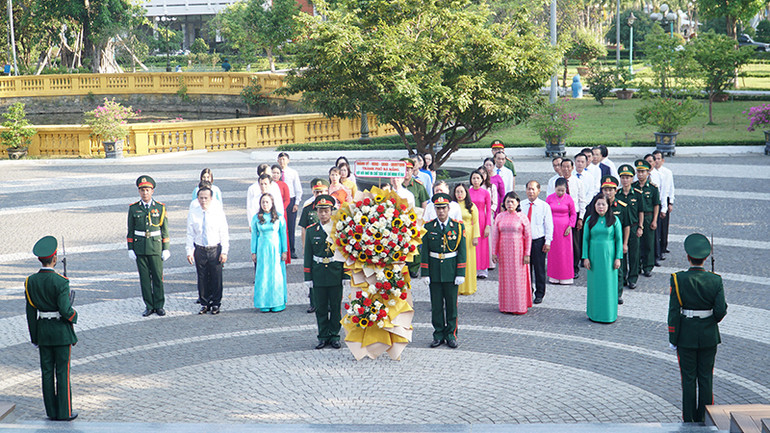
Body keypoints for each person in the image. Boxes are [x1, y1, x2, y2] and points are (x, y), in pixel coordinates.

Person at [668, 234, 727, 423]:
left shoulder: (678, 279)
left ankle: (689, 420)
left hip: (686, 336)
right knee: (706, 379)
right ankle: (705, 418)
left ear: (688, 257)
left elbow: (674, 312)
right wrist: (709, 321)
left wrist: (673, 338)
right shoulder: (716, 280)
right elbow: (720, 311)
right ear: (706, 258)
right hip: (709, 336)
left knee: (688, 380)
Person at [25, 236, 78, 421]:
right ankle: (64, 412)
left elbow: (30, 312)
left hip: (43, 331)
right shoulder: (61, 281)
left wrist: (34, 337)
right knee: (62, 372)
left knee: (47, 372)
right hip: (61, 333)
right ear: (54, 258)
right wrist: (74, 316)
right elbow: (65, 310)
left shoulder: (30, 281)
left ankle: (51, 411)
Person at [421, 193, 466, 349]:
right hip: (434, 271)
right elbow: (424, 251)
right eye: (438, 208)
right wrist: (425, 272)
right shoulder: (428, 227)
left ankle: (451, 334)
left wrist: (460, 273)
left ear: (449, 209)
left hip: (451, 270)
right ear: (434, 209)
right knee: (437, 306)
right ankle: (438, 334)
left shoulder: (458, 227)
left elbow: (462, 251)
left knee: (452, 306)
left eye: (443, 208)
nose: (441, 211)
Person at [304, 195, 349, 349]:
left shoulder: (338, 229)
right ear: (316, 212)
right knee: (321, 307)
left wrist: (346, 274)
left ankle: (335, 335)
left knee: (335, 307)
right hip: (318, 273)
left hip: (335, 271)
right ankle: (323, 336)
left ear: (331, 211)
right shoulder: (311, 231)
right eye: (320, 211)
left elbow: (344, 252)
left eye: (326, 211)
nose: (323, 214)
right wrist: (308, 276)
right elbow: (308, 254)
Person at [127, 176, 170, 317]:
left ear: (152, 191)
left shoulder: (160, 207)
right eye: (142, 190)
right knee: (145, 279)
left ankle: (159, 305)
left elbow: (164, 229)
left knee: (157, 277)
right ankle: (149, 306)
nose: (145, 193)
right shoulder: (133, 208)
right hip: (140, 247)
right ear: (139, 192)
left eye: (147, 190)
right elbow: (130, 230)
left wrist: (166, 248)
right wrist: (130, 248)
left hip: (155, 247)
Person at [186, 187, 230, 315]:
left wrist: (224, 251)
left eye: (206, 198)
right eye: (201, 198)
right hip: (200, 248)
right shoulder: (194, 212)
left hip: (214, 248)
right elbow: (190, 233)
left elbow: (224, 232)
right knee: (202, 277)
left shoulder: (217, 212)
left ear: (211, 198)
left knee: (216, 277)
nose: (203, 200)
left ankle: (216, 303)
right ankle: (204, 303)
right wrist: (189, 251)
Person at [582, 195, 623, 323]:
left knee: (608, 285)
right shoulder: (589, 220)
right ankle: (594, 313)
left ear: (608, 206)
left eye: (603, 204)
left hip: (609, 257)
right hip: (594, 256)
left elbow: (619, 240)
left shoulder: (614, 220)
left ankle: (609, 314)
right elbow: (585, 239)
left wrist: (618, 258)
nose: (601, 207)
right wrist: (585, 257)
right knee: (595, 285)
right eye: (598, 204)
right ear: (594, 206)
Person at [491, 192, 532, 314]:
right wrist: (494, 252)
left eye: (512, 202)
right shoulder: (500, 217)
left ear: (517, 203)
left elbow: (528, 236)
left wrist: (527, 253)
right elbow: (495, 236)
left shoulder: (522, 217)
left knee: (518, 279)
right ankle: (506, 306)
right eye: (507, 201)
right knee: (505, 279)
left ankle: (519, 306)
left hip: (518, 252)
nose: (510, 204)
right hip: (504, 252)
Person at [251, 193, 288, 312]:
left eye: (267, 202)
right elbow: (254, 236)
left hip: (276, 249)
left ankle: (277, 301)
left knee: (276, 275)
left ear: (272, 203)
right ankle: (264, 302)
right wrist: (253, 251)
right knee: (264, 275)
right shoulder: (256, 218)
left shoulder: (279, 217)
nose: (265, 204)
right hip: (262, 249)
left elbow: (283, 234)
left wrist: (285, 250)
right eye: (263, 202)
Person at [299, 178, 332, 314]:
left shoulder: (333, 207)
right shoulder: (308, 208)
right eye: (317, 192)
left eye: (322, 191)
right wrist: (304, 247)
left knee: (330, 275)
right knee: (313, 273)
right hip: (313, 245)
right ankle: (313, 303)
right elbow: (304, 229)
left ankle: (329, 303)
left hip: (329, 247)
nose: (320, 194)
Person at [521, 181, 553, 304]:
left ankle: (539, 293)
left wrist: (548, 241)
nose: (531, 192)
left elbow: (548, 225)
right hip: (524, 241)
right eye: (528, 189)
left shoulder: (544, 206)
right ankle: (527, 291)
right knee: (526, 268)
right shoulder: (521, 205)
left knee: (539, 269)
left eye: (533, 189)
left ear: (539, 190)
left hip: (538, 241)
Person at [616, 165, 643, 291]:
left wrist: (640, 227)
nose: (625, 180)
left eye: (628, 177)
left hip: (633, 227)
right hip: (620, 228)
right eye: (623, 177)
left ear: (632, 179)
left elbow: (641, 211)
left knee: (634, 254)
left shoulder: (637, 194)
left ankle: (633, 278)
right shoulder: (617, 194)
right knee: (621, 253)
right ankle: (623, 277)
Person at [546, 178, 576, 285]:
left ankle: (566, 276)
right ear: (555, 188)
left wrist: (570, 226)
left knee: (565, 253)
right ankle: (553, 276)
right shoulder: (549, 198)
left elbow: (573, 214)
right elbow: (545, 213)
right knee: (553, 252)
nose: (560, 192)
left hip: (565, 229)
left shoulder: (569, 199)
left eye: (562, 190)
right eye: (558, 190)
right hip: (552, 228)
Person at [633, 159, 660, 278]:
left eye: (643, 172)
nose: (640, 174)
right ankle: (637, 266)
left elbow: (656, 204)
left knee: (648, 243)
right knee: (637, 243)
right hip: (636, 218)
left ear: (648, 173)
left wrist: (654, 220)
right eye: (638, 171)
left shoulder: (653, 188)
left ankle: (648, 266)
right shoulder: (633, 187)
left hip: (648, 217)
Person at [561, 158, 587, 279]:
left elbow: (582, 201)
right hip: (560, 215)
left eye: (568, 167)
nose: (566, 169)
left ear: (572, 168)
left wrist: (581, 218)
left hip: (574, 214)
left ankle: (574, 267)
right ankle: (562, 266)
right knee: (562, 242)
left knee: (575, 243)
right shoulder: (554, 181)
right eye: (563, 167)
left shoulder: (578, 182)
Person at [453, 183, 480, 295]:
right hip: (455, 234)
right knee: (457, 259)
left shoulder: (471, 206)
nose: (459, 194)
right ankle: (457, 287)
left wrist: (475, 236)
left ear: (466, 193)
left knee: (468, 260)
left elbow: (476, 222)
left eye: (461, 192)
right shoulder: (452, 206)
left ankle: (469, 287)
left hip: (468, 235)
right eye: (457, 192)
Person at [468, 170, 492, 279]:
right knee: (472, 244)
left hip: (482, 219)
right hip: (471, 220)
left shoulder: (486, 193)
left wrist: (488, 225)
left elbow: (488, 210)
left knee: (482, 245)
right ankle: (472, 268)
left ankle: (482, 269)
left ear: (482, 179)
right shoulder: (468, 192)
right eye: (474, 178)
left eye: (478, 178)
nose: (476, 180)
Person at [278, 152, 302, 259]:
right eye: (280, 159)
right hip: (279, 202)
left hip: (291, 201)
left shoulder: (293, 173)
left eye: (284, 159)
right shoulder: (275, 173)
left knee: (290, 227)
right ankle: (282, 249)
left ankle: (291, 250)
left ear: (288, 160)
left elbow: (298, 188)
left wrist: (297, 203)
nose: (282, 161)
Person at [653, 150, 675, 261]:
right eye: (655, 159)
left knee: (663, 226)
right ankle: (656, 249)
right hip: (654, 200)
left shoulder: (667, 172)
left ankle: (663, 247)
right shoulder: (651, 173)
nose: (657, 161)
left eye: (658, 159)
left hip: (664, 199)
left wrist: (670, 202)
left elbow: (671, 188)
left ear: (663, 160)